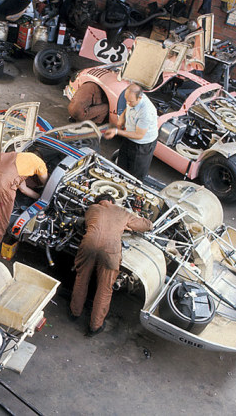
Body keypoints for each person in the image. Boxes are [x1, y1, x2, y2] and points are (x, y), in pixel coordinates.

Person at [69, 194, 152, 336]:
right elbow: (146, 226)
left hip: (89, 244)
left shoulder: (92, 208)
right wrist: (130, 223)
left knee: (81, 279)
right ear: (112, 201)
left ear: (99, 201)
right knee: (105, 289)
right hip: (110, 250)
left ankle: (74, 313)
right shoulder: (122, 212)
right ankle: (95, 326)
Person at [0, 151, 48, 257]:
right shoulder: (39, 163)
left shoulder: (17, 156)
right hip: (3, 183)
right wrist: (43, 198)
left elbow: (23, 189)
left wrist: (38, 198)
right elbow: (47, 184)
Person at [103, 84, 158, 181]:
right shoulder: (132, 99)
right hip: (129, 137)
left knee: (134, 176)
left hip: (141, 145)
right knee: (121, 166)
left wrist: (116, 131)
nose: (127, 103)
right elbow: (128, 106)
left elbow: (139, 135)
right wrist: (122, 118)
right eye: (126, 99)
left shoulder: (146, 112)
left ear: (140, 98)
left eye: (130, 101)